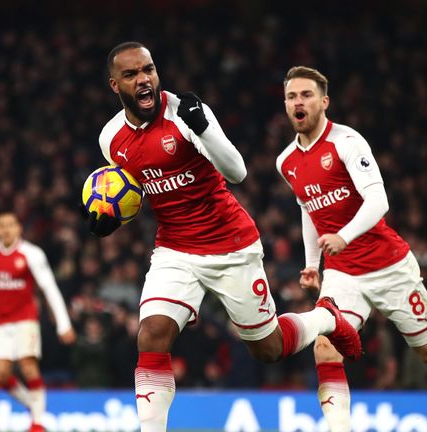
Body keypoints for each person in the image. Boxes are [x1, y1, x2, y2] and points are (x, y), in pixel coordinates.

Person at [83, 41, 361, 432]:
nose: (144, 79)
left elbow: (237, 172)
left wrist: (203, 128)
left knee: (268, 349)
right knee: (151, 334)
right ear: (115, 86)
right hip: (174, 248)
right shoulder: (110, 137)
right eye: (132, 75)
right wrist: (113, 220)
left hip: (230, 245)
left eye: (149, 69)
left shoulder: (185, 113)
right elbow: (136, 186)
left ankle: (325, 319)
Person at [275, 66, 427, 431]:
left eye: (307, 95)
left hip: (388, 267)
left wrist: (344, 236)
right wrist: (313, 263)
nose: (299, 102)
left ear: (324, 102)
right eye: (292, 96)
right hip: (343, 273)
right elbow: (307, 209)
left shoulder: (347, 142)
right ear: (285, 104)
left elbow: (379, 200)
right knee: (325, 345)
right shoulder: (287, 162)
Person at [0, 212, 76, 432]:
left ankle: (37, 423)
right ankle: (33, 404)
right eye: (1, 226)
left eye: (10, 225)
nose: (6, 229)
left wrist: (63, 324)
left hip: (25, 319)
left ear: (19, 228)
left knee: (28, 366)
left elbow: (49, 287)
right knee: (0, 374)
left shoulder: (32, 254)